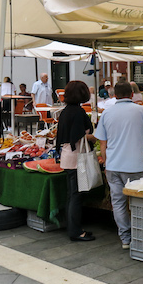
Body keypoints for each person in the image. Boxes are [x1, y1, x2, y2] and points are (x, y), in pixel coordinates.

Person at [95, 81, 143, 249]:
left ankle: (125, 238)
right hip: (133, 165)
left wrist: (106, 161)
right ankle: (140, 237)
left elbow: (103, 143)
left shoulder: (106, 113)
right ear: (132, 94)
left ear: (114, 95)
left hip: (113, 165)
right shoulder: (141, 111)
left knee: (118, 203)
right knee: (137, 202)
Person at [56, 81, 98, 243]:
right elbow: (79, 136)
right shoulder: (78, 112)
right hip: (77, 158)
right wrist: (95, 137)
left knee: (71, 195)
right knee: (76, 196)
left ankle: (72, 227)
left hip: (68, 157)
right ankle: (75, 231)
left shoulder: (66, 111)